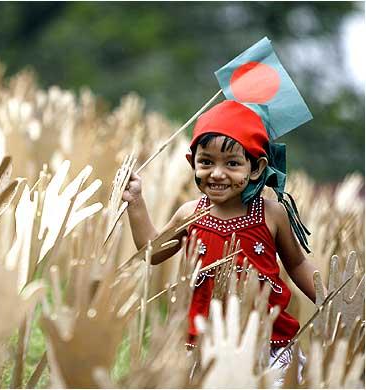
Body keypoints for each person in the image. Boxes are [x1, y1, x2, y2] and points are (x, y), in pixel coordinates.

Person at [122, 100, 318, 384]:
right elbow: (152, 251)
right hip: (203, 342)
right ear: (193, 163)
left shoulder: (272, 214)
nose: (217, 173)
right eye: (206, 162)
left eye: (232, 164)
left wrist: (330, 298)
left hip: (266, 340)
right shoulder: (190, 214)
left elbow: (297, 263)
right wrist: (136, 202)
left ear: (255, 168)